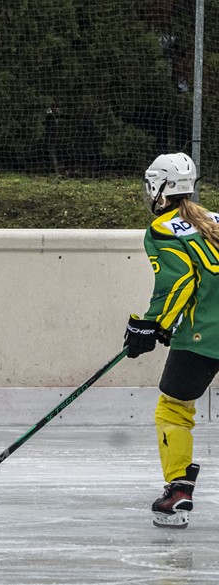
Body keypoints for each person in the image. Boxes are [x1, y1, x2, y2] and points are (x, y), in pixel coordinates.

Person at [125, 152, 219, 528]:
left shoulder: (163, 228)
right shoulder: (215, 219)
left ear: (159, 188)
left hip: (203, 334)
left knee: (174, 409)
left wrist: (152, 325)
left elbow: (179, 281)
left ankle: (179, 488)